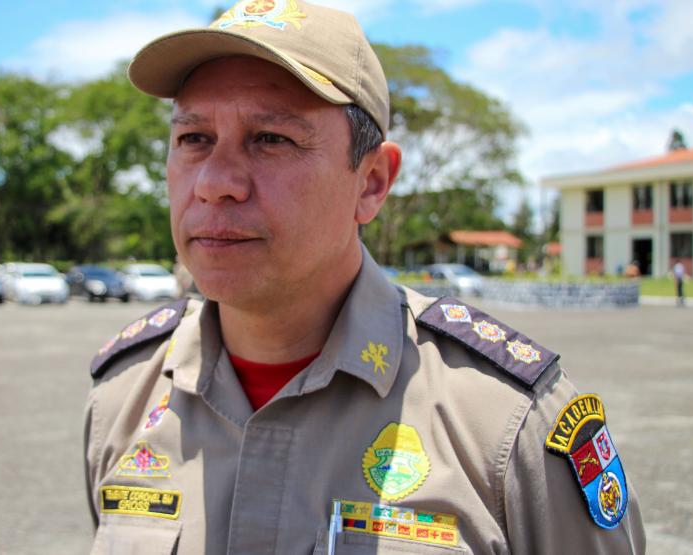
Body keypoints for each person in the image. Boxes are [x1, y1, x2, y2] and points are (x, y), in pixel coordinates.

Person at [83, 2, 645, 553]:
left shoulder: (504, 424)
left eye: (270, 139)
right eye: (193, 139)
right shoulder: (124, 399)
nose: (214, 182)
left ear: (372, 181)